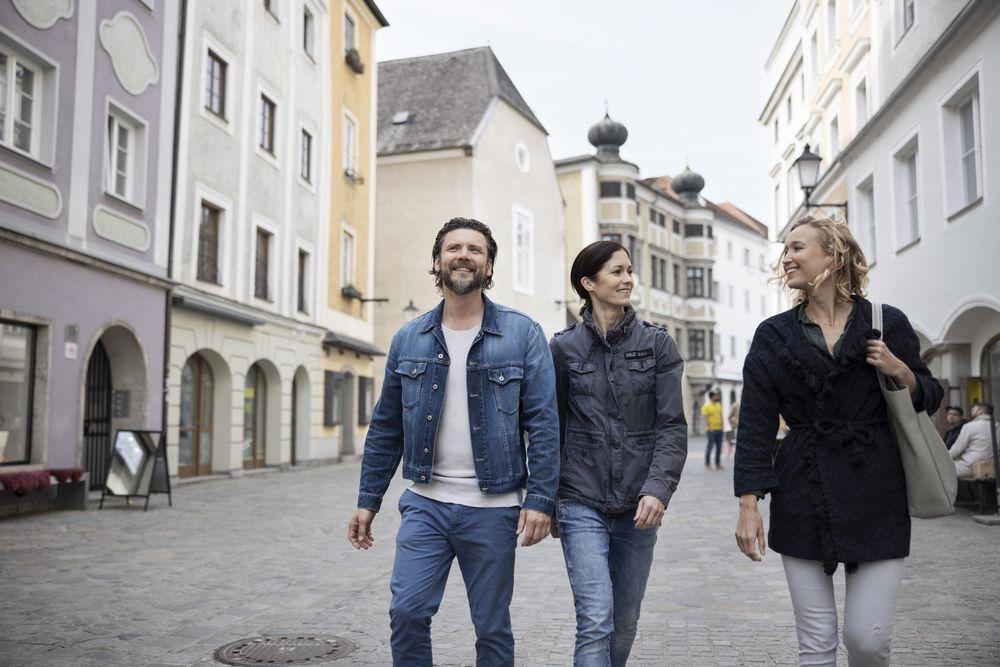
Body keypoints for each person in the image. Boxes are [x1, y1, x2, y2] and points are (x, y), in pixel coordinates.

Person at [347, 218, 560, 666]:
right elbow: (386, 426)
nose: (464, 255)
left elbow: (544, 422)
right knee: (406, 612)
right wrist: (369, 499)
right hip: (425, 503)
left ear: (489, 265)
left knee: (491, 626)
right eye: (454, 248)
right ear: (437, 261)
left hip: (494, 507)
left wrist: (540, 499)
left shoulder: (522, 333)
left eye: (475, 249)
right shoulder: (409, 338)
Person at [733, 214, 943, 666]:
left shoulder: (886, 323)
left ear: (834, 253)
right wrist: (749, 504)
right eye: (784, 250)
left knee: (868, 640)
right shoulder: (773, 334)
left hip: (877, 490)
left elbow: (930, 393)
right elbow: (754, 423)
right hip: (802, 489)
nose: (786, 257)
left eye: (797, 247)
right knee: (816, 642)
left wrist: (900, 370)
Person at [549, 240, 687, 667]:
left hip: (638, 503)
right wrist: (548, 498)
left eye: (629, 271)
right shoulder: (562, 349)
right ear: (588, 283)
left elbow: (672, 427)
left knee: (624, 621)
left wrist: (658, 490)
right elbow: (550, 428)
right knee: (595, 618)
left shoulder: (658, 345)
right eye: (616, 272)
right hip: (579, 499)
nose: (628, 279)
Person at [950, 402, 999, 478]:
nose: (971, 410)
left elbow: (956, 450)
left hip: (971, 467)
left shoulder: (969, 426)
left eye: (974, 409)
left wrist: (944, 458)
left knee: (943, 468)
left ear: (979, 412)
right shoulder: (998, 426)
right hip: (993, 467)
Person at [702, 391, 724, 470]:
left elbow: (721, 416)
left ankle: (718, 464)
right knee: (710, 447)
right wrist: (709, 428)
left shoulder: (719, 405)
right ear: (712, 397)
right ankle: (707, 463)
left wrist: (722, 426)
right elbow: (705, 418)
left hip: (719, 430)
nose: (717, 397)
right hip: (711, 430)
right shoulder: (706, 406)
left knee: (719, 448)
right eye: (716, 396)